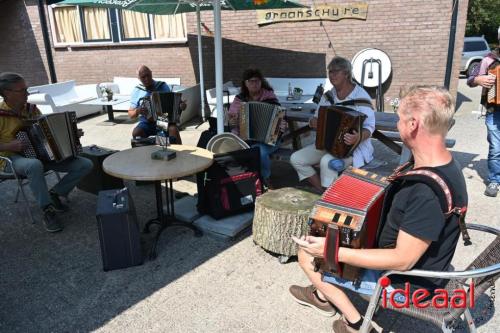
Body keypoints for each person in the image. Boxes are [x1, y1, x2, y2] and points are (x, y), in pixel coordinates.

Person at [289, 86, 467, 332]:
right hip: (410, 264)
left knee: (307, 253)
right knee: (329, 232)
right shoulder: (446, 163)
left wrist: (334, 251)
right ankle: (323, 294)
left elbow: (402, 260)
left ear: (413, 124)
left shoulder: (427, 192)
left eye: (400, 119)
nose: (398, 123)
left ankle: (356, 324)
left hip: (405, 285)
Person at [0, 72, 93, 233]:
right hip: (11, 158)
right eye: (22, 90)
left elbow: (47, 129)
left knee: (85, 164)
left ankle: (56, 193)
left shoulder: (31, 109)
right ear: (7, 93)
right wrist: (9, 146)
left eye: (27, 89)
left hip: (41, 153)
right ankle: (47, 210)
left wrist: (71, 133)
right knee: (34, 165)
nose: (27, 93)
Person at [290, 57, 375, 192]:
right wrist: (313, 122)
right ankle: (324, 194)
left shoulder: (361, 97)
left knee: (327, 162)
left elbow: (370, 127)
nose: (332, 75)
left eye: (336, 72)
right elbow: (316, 118)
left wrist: (357, 137)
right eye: (330, 72)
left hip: (354, 149)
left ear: (346, 73)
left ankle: (329, 199)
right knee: (296, 158)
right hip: (326, 145)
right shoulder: (327, 96)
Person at [227, 68, 283, 187]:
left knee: (259, 151)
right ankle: (244, 179)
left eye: (257, 81)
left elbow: (281, 118)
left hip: (270, 141)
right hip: (244, 139)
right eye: (250, 81)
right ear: (245, 83)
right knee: (234, 148)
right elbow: (230, 122)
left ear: (261, 82)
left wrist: (282, 124)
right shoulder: (240, 99)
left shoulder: (270, 97)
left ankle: (265, 179)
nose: (254, 84)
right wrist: (233, 121)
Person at [467, 44, 500, 197]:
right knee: (496, 148)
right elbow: (470, 79)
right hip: (495, 110)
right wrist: (478, 79)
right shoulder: (488, 60)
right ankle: (494, 180)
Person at [128, 65, 183, 144]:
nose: (146, 79)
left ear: (151, 73)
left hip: (162, 120)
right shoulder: (137, 90)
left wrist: (181, 106)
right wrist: (138, 111)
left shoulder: (162, 86)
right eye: (143, 77)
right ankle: (146, 152)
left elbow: (174, 103)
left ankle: (176, 151)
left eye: (148, 75)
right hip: (146, 123)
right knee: (136, 133)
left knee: (170, 132)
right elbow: (130, 114)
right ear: (139, 78)